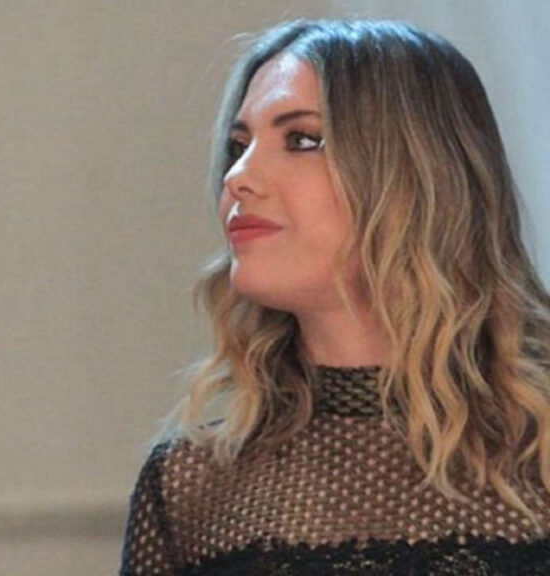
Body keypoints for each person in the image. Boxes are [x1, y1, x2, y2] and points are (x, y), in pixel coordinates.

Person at [120, 19, 550, 575]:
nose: (238, 177)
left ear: (416, 176)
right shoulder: (191, 487)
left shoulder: (538, 456)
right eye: (238, 146)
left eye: (303, 140)